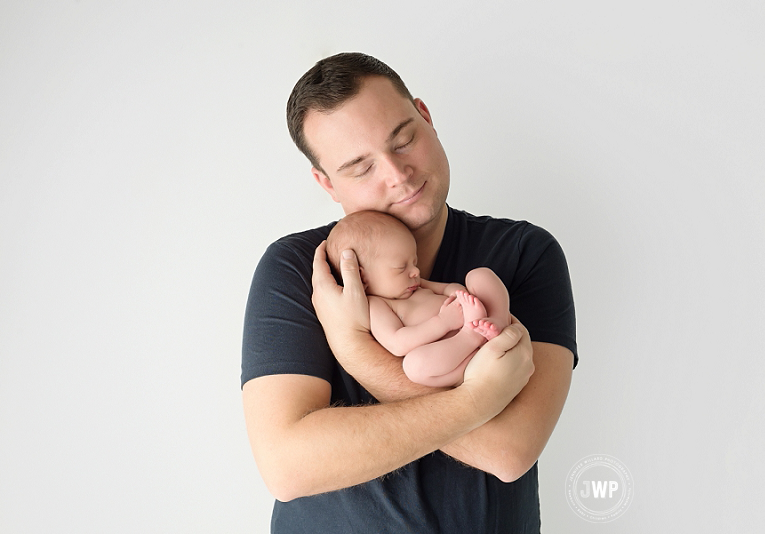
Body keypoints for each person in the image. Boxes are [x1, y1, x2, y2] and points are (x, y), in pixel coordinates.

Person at [242, 52, 578, 533]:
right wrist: (477, 401)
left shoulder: (524, 253)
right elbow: (288, 466)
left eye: (404, 140)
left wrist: (357, 352)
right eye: (360, 168)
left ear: (426, 117)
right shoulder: (302, 269)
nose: (397, 175)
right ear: (326, 183)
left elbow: (509, 451)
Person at [326, 209, 510, 387]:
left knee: (479, 275)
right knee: (414, 367)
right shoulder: (376, 306)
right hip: (455, 350)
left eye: (414, 262)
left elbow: (448, 288)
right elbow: (397, 343)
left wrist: (459, 295)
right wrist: (443, 322)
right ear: (362, 277)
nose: (415, 271)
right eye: (401, 267)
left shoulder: (415, 283)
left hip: (474, 318)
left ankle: (498, 321)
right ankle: (472, 339)